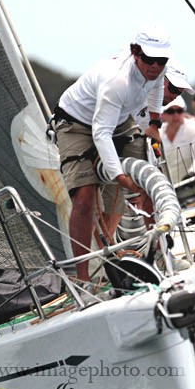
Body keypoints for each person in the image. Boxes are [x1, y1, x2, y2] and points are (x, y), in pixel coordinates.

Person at [54, 25, 171, 282]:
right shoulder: (117, 80)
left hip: (116, 120)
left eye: (161, 61)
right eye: (149, 59)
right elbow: (101, 133)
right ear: (134, 53)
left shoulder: (158, 70)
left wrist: (154, 123)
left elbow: (158, 89)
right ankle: (84, 278)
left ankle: (157, 258)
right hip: (75, 122)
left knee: (144, 178)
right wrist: (118, 175)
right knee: (84, 197)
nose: (155, 66)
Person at [160, 96, 195, 184]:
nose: (176, 115)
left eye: (179, 111)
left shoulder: (194, 128)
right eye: (170, 111)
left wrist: (192, 174)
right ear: (162, 114)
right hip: (167, 188)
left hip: (194, 185)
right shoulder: (158, 134)